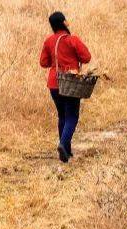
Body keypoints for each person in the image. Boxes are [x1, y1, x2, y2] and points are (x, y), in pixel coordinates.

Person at [39, 11, 92, 163]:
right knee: (72, 116)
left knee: (62, 115)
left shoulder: (49, 41)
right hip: (70, 81)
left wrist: (56, 62)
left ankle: (66, 152)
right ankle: (63, 144)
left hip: (54, 83)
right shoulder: (72, 39)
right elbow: (86, 57)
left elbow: (43, 62)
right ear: (63, 22)